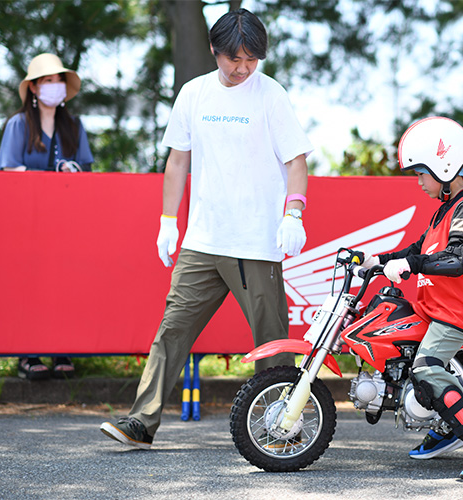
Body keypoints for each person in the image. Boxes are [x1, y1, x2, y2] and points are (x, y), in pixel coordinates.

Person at [100, 8, 312, 450]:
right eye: (235, 59)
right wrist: (167, 221)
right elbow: (177, 160)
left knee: (272, 344)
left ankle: (281, 428)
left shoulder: (270, 94)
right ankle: (141, 422)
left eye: (253, 59)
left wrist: (293, 213)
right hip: (203, 240)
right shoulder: (194, 93)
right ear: (215, 51)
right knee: (171, 330)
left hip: (256, 242)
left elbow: (296, 160)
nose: (243, 68)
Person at [361, 116, 463, 480]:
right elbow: (416, 250)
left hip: (457, 312)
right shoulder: (441, 213)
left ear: (443, 167)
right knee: (410, 356)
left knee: (425, 368)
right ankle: (448, 425)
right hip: (435, 309)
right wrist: (374, 261)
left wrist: (410, 265)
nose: (418, 182)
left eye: (421, 173)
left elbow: (459, 259)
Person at [0, 53, 94, 380]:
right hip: (26, 221)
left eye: (59, 80)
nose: (55, 86)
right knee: (29, 283)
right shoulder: (18, 124)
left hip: (66, 223)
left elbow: (86, 168)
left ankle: (62, 349)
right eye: (48, 81)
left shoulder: (74, 126)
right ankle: (28, 353)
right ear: (34, 88)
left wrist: (70, 170)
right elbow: (8, 170)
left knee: (65, 282)